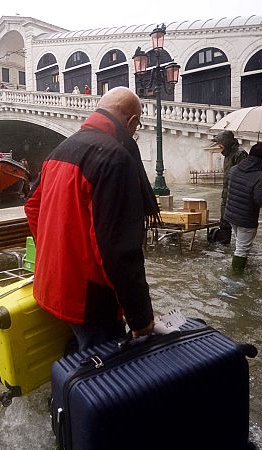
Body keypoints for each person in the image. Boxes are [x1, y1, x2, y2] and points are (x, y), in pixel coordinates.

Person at [24, 87, 158, 350]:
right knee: (104, 380)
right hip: (89, 301)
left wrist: (58, 255)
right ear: (132, 121)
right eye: (137, 124)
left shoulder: (59, 150)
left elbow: (32, 206)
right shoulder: (115, 158)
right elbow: (118, 250)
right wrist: (141, 318)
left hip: (49, 287)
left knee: (74, 366)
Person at [223, 142, 262, 273]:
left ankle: (241, 266)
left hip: (231, 214)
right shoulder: (259, 177)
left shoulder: (234, 170)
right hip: (246, 217)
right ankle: (235, 276)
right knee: (242, 248)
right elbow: (260, 199)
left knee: (239, 244)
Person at [214, 131, 247, 242]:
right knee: (224, 219)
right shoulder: (227, 154)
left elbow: (242, 176)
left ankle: (241, 246)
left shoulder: (240, 154)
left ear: (226, 143)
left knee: (238, 222)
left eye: (220, 144)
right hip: (227, 192)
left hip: (236, 194)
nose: (219, 147)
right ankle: (224, 243)